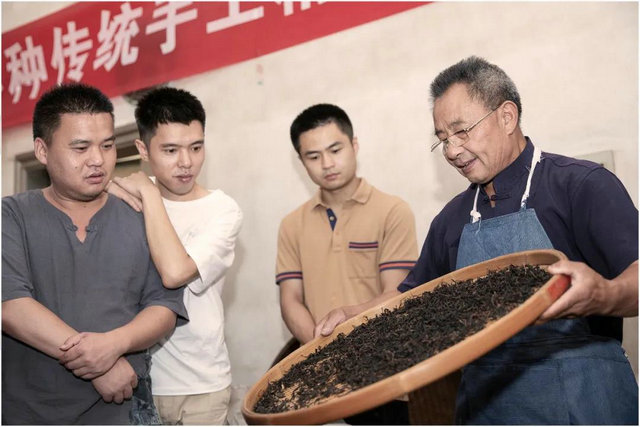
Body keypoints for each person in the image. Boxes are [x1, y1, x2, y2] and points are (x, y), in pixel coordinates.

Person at [316, 56, 638, 424]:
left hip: (583, 397)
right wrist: (356, 315)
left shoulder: (581, 185)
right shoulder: (451, 219)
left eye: (462, 132)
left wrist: (605, 294)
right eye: (443, 140)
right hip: (486, 407)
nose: (452, 151)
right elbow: (411, 298)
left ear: (507, 117)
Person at [1, 83, 188, 425]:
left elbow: (164, 306)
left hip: (120, 410)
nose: (98, 160)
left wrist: (114, 345)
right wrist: (98, 365)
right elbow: (10, 305)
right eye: (80, 147)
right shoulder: (11, 215)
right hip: (27, 412)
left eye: (107, 145)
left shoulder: (141, 216)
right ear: (42, 150)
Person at [106, 87, 243, 425]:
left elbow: (174, 272)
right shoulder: (124, 197)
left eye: (196, 147)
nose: (186, 162)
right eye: (170, 150)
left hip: (202, 385)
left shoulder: (222, 209)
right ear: (143, 149)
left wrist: (150, 194)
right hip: (135, 379)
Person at [276, 103, 418, 424]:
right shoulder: (291, 225)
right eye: (313, 156)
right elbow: (290, 300)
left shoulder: (392, 211)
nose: (327, 164)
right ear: (301, 162)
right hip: (322, 382)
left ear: (354, 145)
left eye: (335, 150)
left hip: (385, 376)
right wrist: (320, 349)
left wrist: (347, 331)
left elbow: (397, 294)